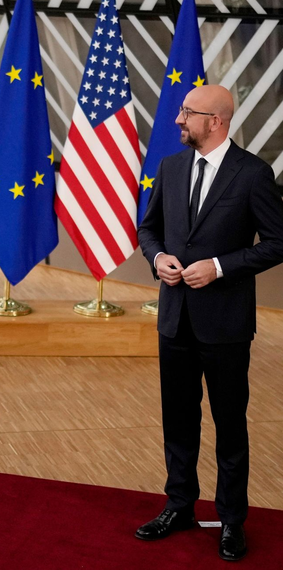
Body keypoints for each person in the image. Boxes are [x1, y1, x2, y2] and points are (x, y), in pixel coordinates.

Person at [136, 85, 283, 561]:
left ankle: (232, 520)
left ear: (215, 121)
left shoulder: (253, 174)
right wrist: (157, 257)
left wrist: (220, 267)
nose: (178, 120)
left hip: (225, 325)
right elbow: (149, 228)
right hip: (175, 320)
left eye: (187, 113)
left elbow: (278, 241)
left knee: (229, 425)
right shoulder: (170, 167)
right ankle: (179, 506)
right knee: (178, 420)